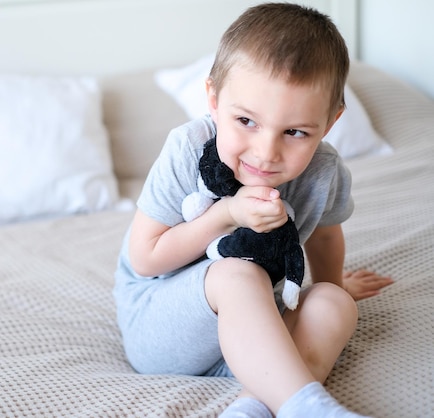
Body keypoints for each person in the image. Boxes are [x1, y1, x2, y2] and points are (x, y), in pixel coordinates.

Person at [113, 3, 392, 417]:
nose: (266, 153)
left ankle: (251, 407)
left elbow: (327, 234)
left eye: (295, 132)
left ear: (330, 123)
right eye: (246, 121)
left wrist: (330, 286)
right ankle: (308, 407)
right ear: (213, 98)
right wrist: (226, 215)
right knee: (237, 273)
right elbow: (146, 258)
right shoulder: (187, 149)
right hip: (163, 327)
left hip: (253, 333)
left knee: (335, 305)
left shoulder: (324, 170)